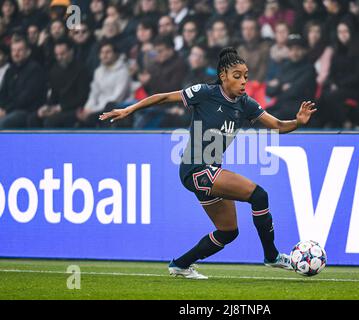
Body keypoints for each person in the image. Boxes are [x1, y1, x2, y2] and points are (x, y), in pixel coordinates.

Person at [99, 47, 317, 279]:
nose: (243, 81)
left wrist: (298, 121)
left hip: (210, 172)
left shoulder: (246, 104)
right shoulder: (204, 92)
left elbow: (278, 126)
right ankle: (272, 257)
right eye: (237, 76)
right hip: (195, 169)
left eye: (245, 76)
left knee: (228, 232)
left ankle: (180, 265)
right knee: (259, 195)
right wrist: (129, 109)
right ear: (223, 76)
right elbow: (162, 97)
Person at [28, 39, 90, 128]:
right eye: (57, 55)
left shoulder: (82, 69)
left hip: (75, 109)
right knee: (34, 118)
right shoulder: (54, 70)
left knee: (51, 121)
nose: (59, 57)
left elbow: (82, 97)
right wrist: (47, 107)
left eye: (62, 54)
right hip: (58, 108)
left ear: (71, 51)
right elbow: (54, 94)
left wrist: (60, 108)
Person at [0, 37, 46, 128]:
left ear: (28, 52)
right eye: (13, 50)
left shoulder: (35, 70)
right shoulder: (10, 70)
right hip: (9, 110)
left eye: (20, 50)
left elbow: (26, 98)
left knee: (3, 124)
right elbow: (3, 93)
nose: (16, 54)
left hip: (27, 111)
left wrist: (6, 111)